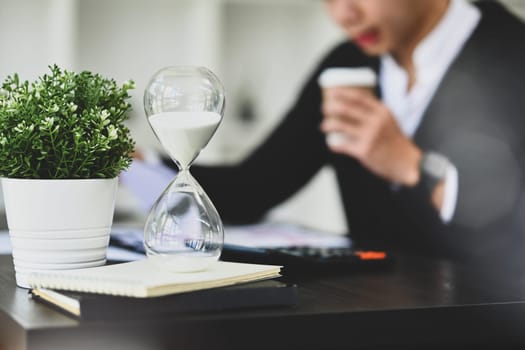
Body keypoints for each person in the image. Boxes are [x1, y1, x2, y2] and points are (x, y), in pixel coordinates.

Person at [126, 0, 525, 263]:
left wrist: (412, 167)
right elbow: (253, 188)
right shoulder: (346, 66)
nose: (344, 15)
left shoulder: (512, 53)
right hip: (371, 311)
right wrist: (136, 161)